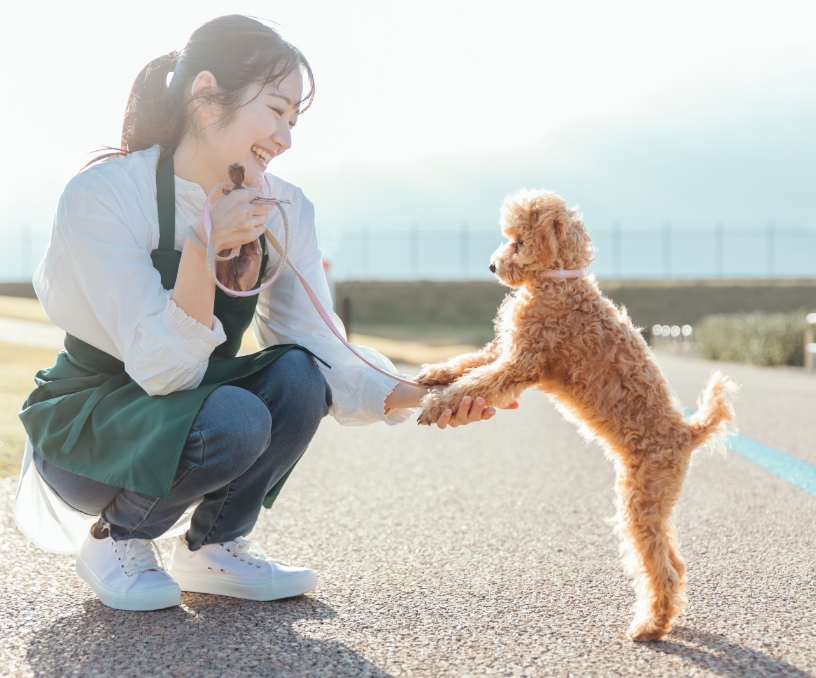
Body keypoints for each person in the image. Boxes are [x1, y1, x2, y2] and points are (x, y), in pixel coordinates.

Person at [14, 15, 516, 612]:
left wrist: (427, 393)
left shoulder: (283, 209)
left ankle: (214, 545)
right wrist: (203, 248)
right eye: (276, 111)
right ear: (205, 96)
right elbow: (160, 370)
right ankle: (118, 537)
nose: (286, 137)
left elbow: (321, 344)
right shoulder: (105, 196)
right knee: (235, 416)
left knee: (298, 376)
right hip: (91, 425)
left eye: (293, 120)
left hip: (192, 405)